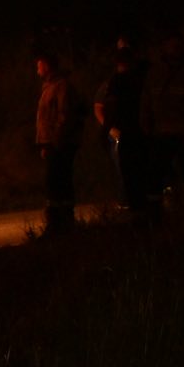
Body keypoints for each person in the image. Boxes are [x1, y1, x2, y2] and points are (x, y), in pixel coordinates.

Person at [95, 40, 157, 219]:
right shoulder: (144, 79)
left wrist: (105, 129)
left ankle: (137, 212)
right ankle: (149, 212)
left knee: (130, 173)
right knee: (143, 171)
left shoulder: (118, 81)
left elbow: (111, 106)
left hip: (129, 133)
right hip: (143, 133)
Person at [148, 35, 184, 200]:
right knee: (155, 174)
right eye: (171, 46)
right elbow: (147, 101)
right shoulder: (155, 73)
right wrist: (146, 125)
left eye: (178, 46)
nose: (175, 50)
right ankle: (155, 216)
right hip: (160, 133)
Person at [34, 53, 85, 238]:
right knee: (54, 182)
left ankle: (61, 223)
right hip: (53, 142)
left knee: (57, 181)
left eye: (39, 64)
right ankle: (58, 223)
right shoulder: (49, 86)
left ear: (47, 65)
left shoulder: (61, 86)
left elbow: (64, 115)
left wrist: (55, 141)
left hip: (61, 143)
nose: (37, 68)